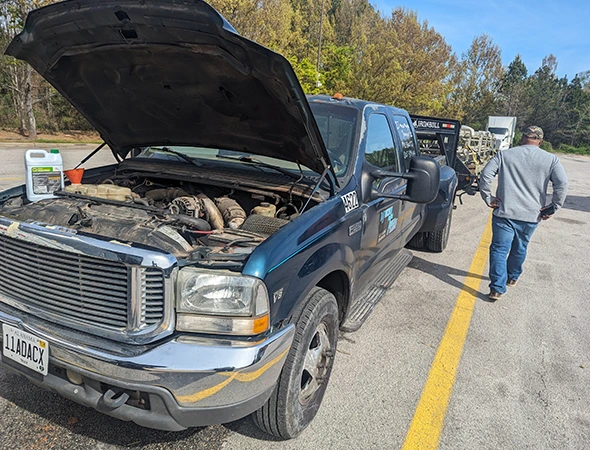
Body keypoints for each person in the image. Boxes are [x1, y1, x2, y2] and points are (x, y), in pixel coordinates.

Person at [479, 126, 568, 301]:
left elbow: (485, 175)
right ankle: (512, 277)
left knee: (499, 249)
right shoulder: (551, 160)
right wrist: (554, 206)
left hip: (504, 212)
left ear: (522, 138)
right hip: (531, 215)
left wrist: (488, 197)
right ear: (540, 141)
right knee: (520, 247)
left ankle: (496, 289)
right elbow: (562, 184)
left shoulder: (504, 155)